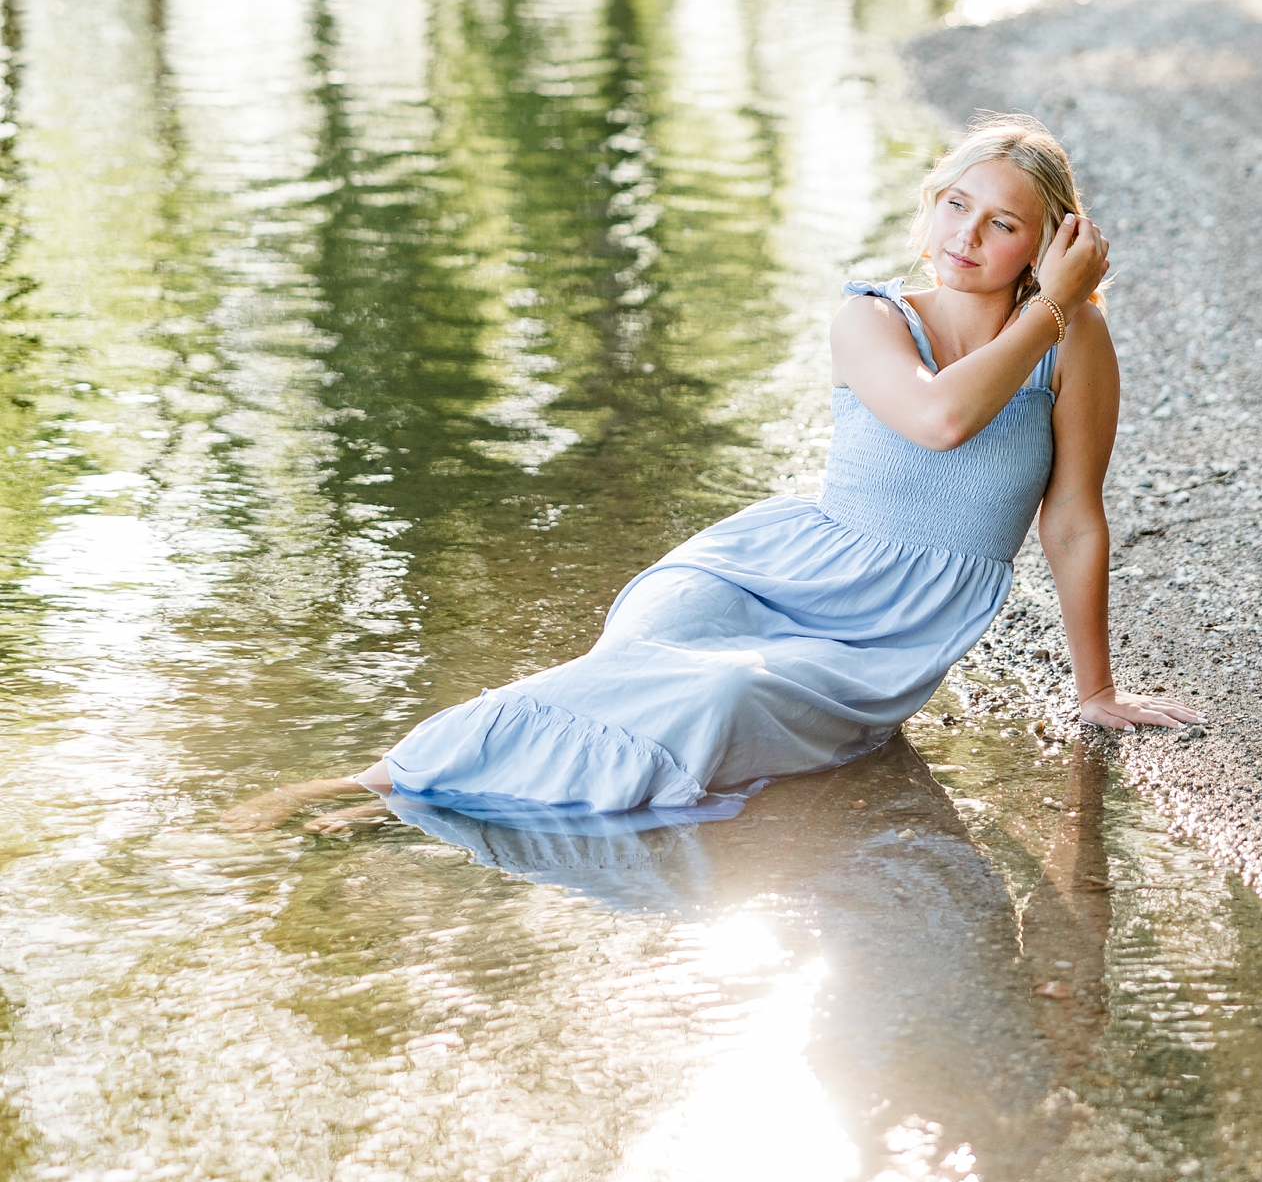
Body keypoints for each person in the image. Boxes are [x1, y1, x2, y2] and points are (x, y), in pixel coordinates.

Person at [226, 113, 1200, 834]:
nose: (967, 238)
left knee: (719, 702)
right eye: (956, 206)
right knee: (636, 666)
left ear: (1047, 247)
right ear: (929, 207)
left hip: (884, 629)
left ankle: (445, 813)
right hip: (758, 570)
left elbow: (1070, 518)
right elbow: (936, 416)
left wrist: (1096, 690)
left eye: (1002, 225)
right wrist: (1052, 306)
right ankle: (385, 787)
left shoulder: (1070, 342)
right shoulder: (868, 318)